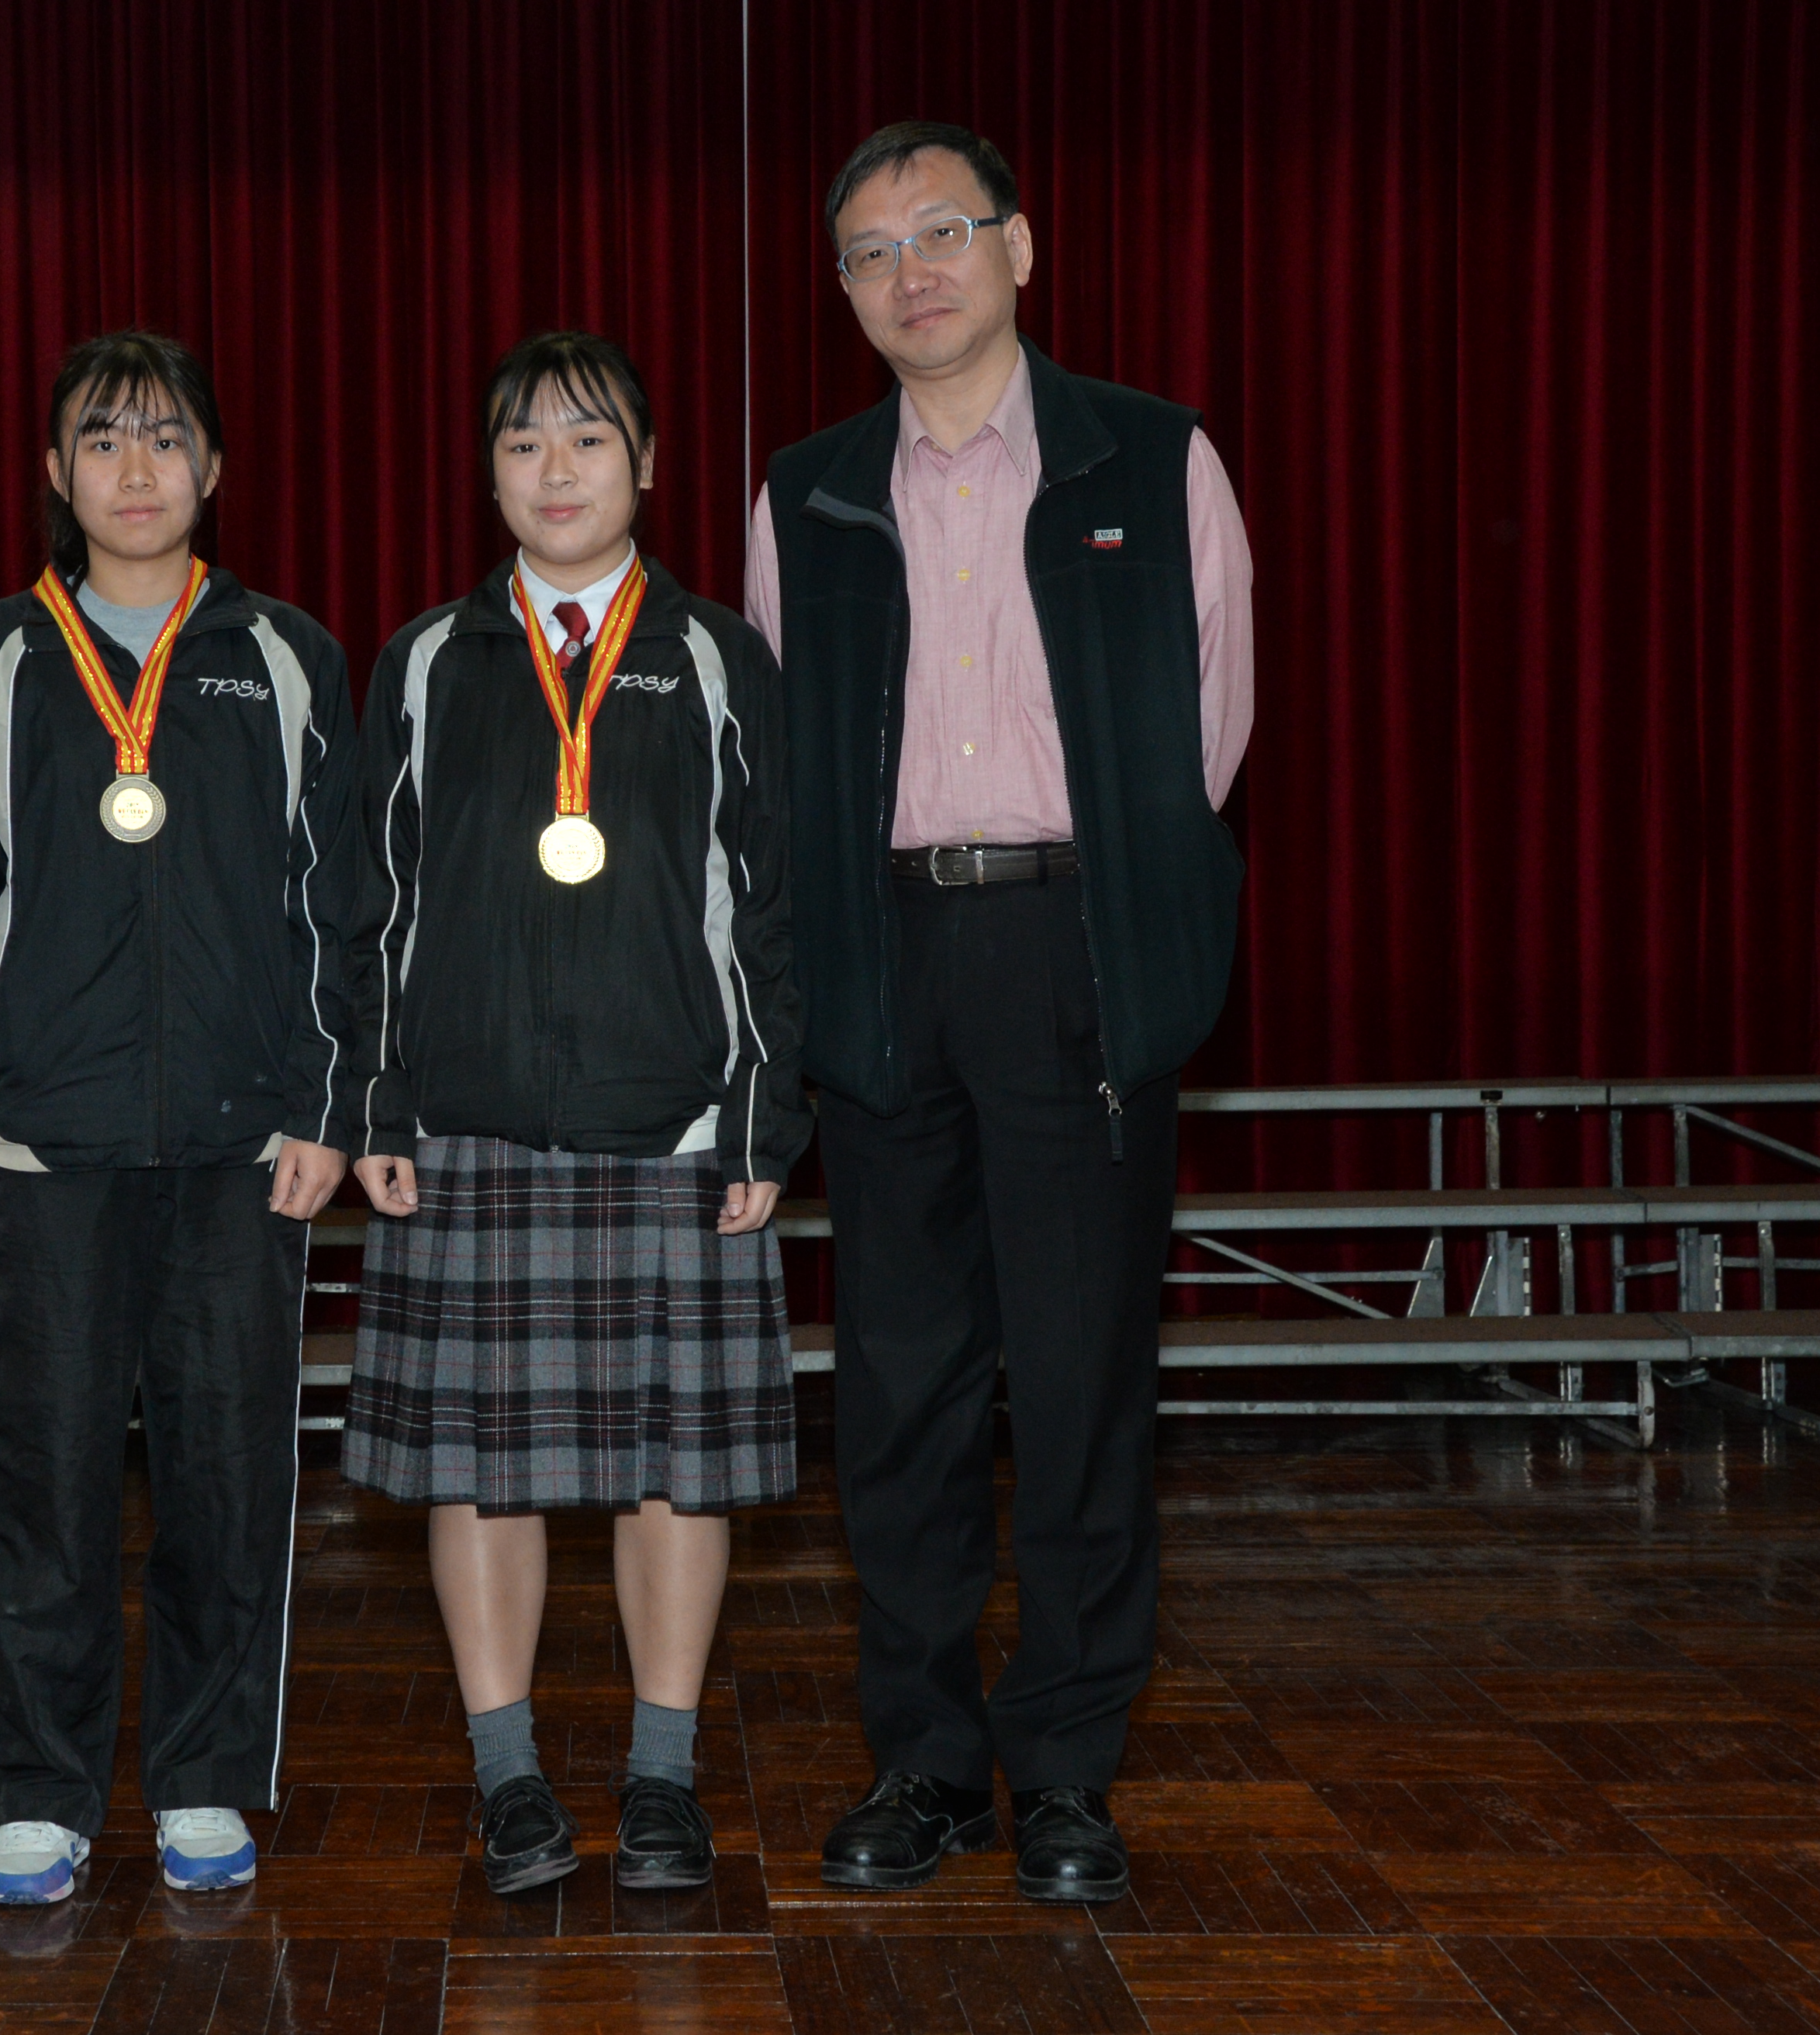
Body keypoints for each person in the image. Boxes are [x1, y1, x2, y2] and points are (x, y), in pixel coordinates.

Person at [744, 122, 1254, 1904]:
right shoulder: (806, 492)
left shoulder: (1154, 458)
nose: (914, 274)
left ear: (1020, 249)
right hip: (883, 960)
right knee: (900, 1389)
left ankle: (1067, 1770)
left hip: (1073, 953)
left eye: (945, 232)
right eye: (872, 252)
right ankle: (926, 1762)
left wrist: (1111, 918)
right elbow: (783, 761)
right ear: (845, 292)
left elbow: (1207, 738)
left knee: (1083, 1373)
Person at [0, 330, 363, 1905]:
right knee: (48, 1486)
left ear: (213, 466)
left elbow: (344, 906)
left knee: (230, 1480)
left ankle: (208, 1779)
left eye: (163, 438)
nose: (134, 468)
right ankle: (39, 1790)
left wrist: (331, 1103)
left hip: (244, 1149)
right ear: (55, 472)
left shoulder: (289, 656)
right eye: (102, 438)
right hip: (40, 1146)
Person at [345, 331, 806, 1896]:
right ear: (489, 474)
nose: (557, 471)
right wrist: (378, 1105)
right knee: (481, 1467)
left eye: (590, 440)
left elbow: (777, 906)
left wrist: (762, 1117)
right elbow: (369, 910)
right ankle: (511, 1779)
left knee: (680, 1468)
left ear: (649, 466)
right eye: (525, 443)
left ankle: (662, 1777)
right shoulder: (424, 660)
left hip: (673, 1128)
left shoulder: (722, 656)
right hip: (465, 1128)